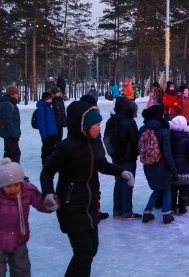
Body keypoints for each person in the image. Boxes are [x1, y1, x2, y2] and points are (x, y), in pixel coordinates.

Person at [40, 100, 134, 276]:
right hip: (72, 207)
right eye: (96, 125)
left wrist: (122, 172)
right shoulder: (67, 147)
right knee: (84, 253)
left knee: (91, 250)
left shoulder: (94, 144)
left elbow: (102, 165)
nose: (99, 128)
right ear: (83, 125)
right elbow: (47, 172)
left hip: (90, 207)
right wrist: (48, 194)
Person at [0, 158, 55, 276]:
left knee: (22, 270)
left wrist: (50, 204)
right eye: (8, 186)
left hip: (18, 239)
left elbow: (41, 204)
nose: (13, 189)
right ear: (1, 185)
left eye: (16, 185)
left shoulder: (27, 192)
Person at [138, 105, 177, 225]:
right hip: (161, 164)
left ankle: (147, 212)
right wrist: (174, 170)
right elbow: (167, 153)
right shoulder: (163, 130)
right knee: (166, 188)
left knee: (157, 189)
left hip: (148, 163)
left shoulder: (143, 129)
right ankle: (166, 214)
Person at [105, 97, 141, 220]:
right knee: (128, 182)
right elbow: (135, 140)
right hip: (127, 158)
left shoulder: (111, 120)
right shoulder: (130, 122)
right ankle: (126, 211)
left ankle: (117, 210)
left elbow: (107, 139)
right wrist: (136, 153)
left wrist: (112, 153)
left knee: (119, 181)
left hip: (116, 157)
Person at [168, 116, 189, 215]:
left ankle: (172, 206)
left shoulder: (168, 136)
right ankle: (182, 207)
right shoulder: (188, 138)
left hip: (172, 166)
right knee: (185, 187)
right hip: (184, 166)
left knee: (173, 187)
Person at [0, 85, 22, 163]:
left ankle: (7, 172)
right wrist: (14, 134)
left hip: (9, 132)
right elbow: (8, 122)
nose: (18, 94)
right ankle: (14, 173)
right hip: (9, 133)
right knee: (15, 153)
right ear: (12, 94)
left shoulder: (10, 102)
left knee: (9, 153)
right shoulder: (7, 104)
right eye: (17, 93)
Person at [34, 91, 58, 165]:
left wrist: (55, 131)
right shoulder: (41, 108)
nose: (51, 100)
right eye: (50, 99)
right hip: (46, 133)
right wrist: (44, 135)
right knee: (46, 147)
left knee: (52, 147)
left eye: (51, 99)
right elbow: (41, 123)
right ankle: (45, 160)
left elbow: (53, 121)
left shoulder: (49, 107)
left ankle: (51, 160)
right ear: (45, 99)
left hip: (52, 132)